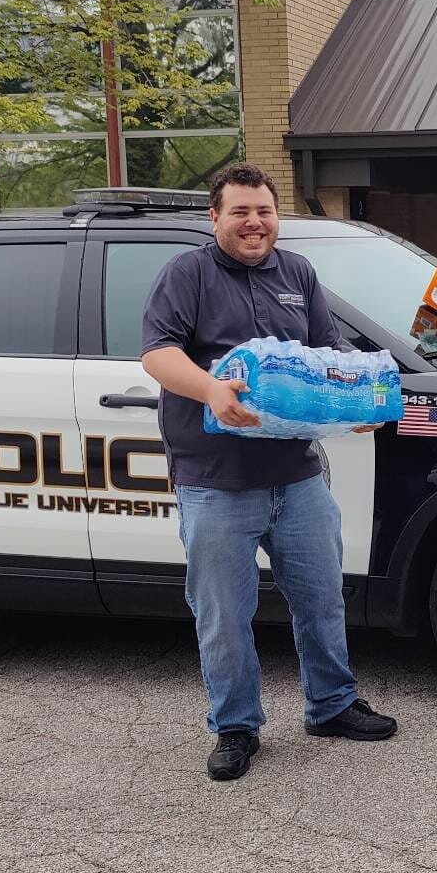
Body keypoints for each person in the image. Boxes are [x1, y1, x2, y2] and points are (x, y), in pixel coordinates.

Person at [141, 163, 398, 781]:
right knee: (224, 615)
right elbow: (157, 353)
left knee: (321, 599)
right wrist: (210, 389)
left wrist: (359, 399)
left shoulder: (298, 273)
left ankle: (331, 705)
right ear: (215, 218)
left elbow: (327, 354)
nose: (254, 223)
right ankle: (235, 726)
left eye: (264, 211)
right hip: (215, 480)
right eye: (240, 212)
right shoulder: (187, 274)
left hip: (296, 473)